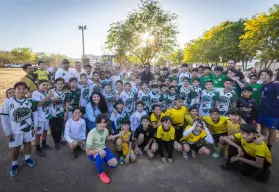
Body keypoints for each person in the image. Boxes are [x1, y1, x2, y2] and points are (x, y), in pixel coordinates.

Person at [1, 82, 37, 177]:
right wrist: (7, 131)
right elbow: (4, 118)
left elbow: (35, 114)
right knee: (15, 148)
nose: (21, 90)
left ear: (27, 90)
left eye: (24, 88)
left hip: (28, 129)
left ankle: (28, 158)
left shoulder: (30, 101)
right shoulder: (8, 102)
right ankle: (14, 165)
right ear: (15, 89)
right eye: (19, 88)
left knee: (28, 143)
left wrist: (35, 126)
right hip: (15, 130)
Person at [86, 114, 123, 184]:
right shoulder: (92, 133)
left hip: (103, 148)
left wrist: (118, 135)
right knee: (99, 156)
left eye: (104, 122)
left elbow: (107, 138)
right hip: (93, 152)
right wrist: (99, 151)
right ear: (96, 123)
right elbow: (88, 152)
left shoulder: (105, 130)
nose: (103, 124)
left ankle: (102, 160)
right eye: (100, 122)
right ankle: (101, 173)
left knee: (114, 164)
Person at [257, 69, 279, 150]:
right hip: (262, 111)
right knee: (263, 127)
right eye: (262, 75)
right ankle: (263, 144)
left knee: (272, 130)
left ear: (270, 76)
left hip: (273, 113)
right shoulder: (261, 85)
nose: (264, 76)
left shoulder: (275, 85)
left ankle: (269, 148)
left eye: (266, 75)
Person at [32, 80, 53, 156]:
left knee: (45, 131)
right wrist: (48, 97)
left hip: (46, 117)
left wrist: (50, 98)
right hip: (39, 118)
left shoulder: (46, 93)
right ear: (38, 85)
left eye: (47, 85)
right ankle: (37, 149)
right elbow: (39, 104)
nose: (46, 86)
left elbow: (48, 102)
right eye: (43, 85)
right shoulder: (36, 93)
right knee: (38, 134)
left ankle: (44, 144)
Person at [49, 78, 70, 150]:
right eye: (58, 84)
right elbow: (47, 101)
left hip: (61, 114)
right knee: (54, 129)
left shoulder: (65, 93)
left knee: (60, 127)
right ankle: (55, 142)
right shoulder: (51, 91)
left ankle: (59, 140)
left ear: (64, 84)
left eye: (61, 84)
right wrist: (52, 100)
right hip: (52, 114)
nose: (60, 85)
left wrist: (66, 113)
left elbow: (67, 103)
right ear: (55, 84)